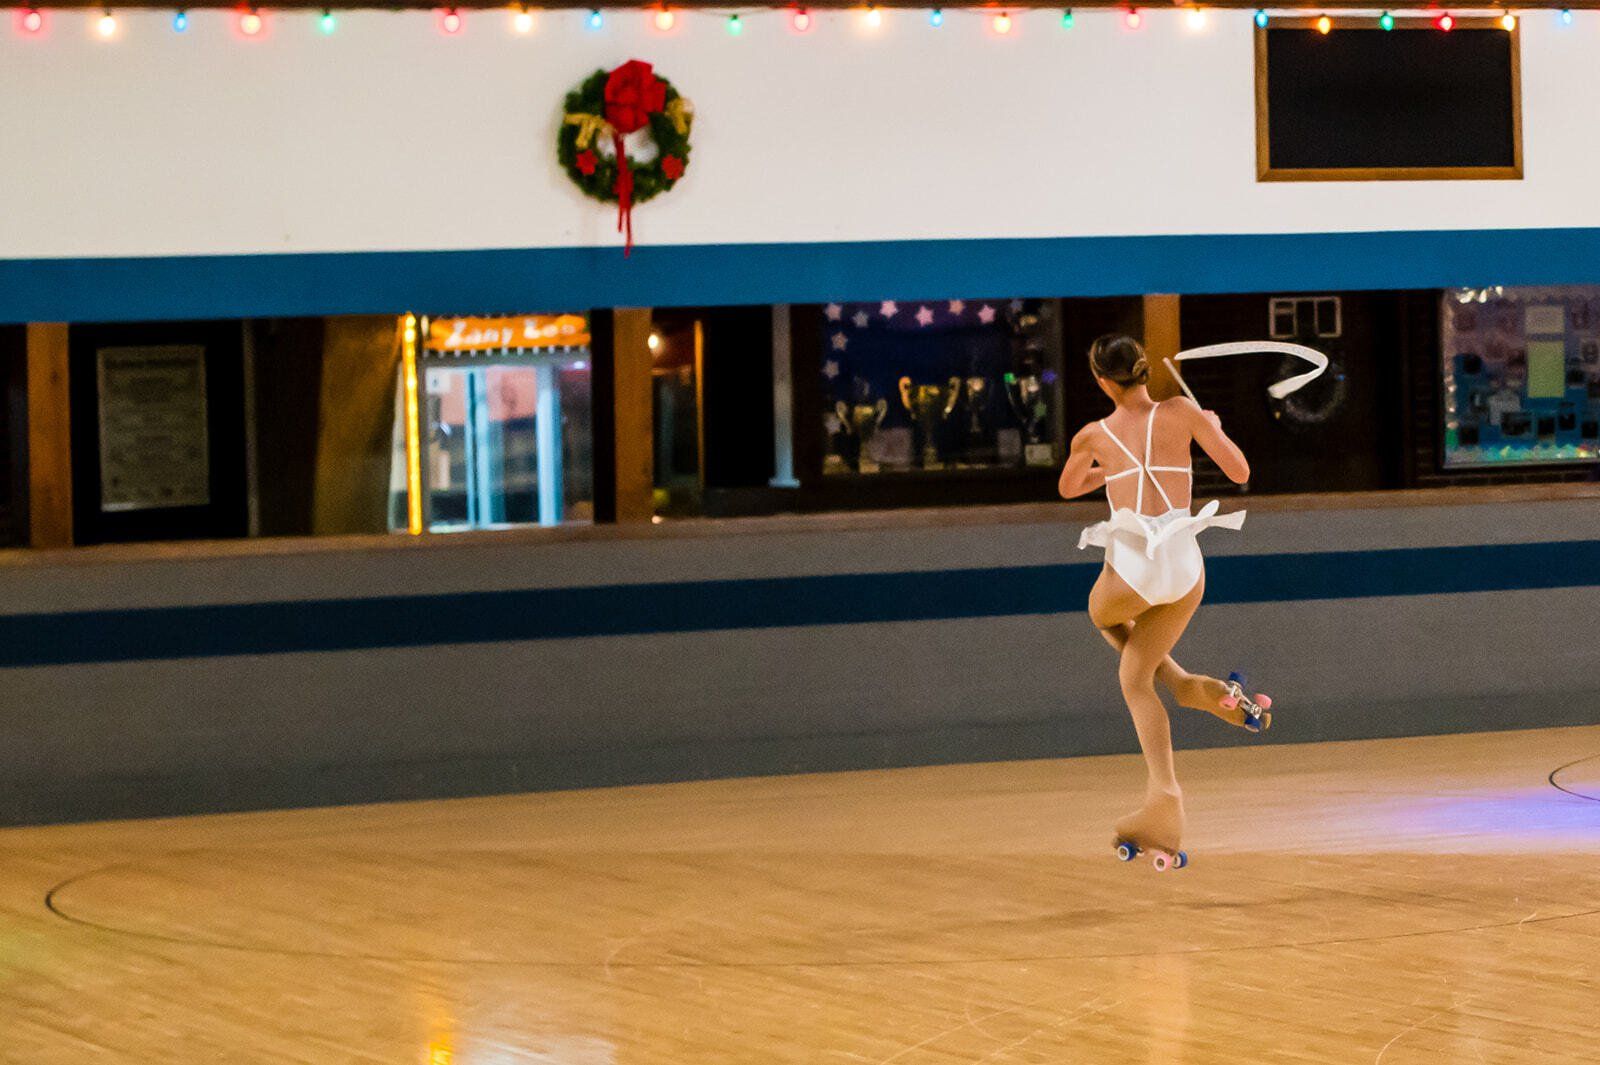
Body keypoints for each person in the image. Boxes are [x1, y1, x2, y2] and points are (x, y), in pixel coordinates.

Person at [1056, 334, 1264, 861]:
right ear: (1144, 370)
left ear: (1102, 381)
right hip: (1186, 566)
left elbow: (1069, 486)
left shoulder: (1094, 434)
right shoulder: (1183, 412)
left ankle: (1166, 795)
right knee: (1138, 671)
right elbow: (1240, 472)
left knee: (1104, 620)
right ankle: (1191, 687)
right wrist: (1211, 427)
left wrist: (1110, 467)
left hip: (1134, 570)